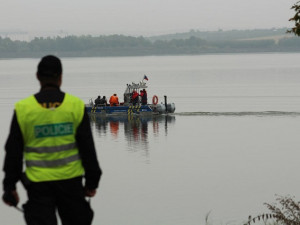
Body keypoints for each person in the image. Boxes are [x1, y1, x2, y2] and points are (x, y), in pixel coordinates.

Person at [2, 55, 102, 225]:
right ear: (61, 77)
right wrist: (92, 183)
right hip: (71, 186)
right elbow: (88, 150)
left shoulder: (23, 109)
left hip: (38, 188)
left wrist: (9, 187)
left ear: (37, 77)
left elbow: (13, 153)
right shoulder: (75, 106)